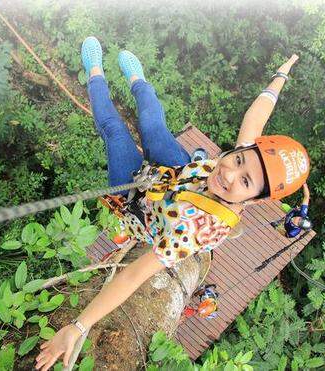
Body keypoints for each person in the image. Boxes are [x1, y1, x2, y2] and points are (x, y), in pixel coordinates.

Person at [35, 36, 310, 370]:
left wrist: (77, 327)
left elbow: (133, 277)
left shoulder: (191, 232)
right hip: (179, 172)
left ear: (254, 200)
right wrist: (281, 75)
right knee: (152, 123)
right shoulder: (237, 163)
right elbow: (257, 116)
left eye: (246, 182)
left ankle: (94, 71)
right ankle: (138, 80)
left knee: (114, 130)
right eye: (238, 161)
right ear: (241, 151)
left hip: (136, 198)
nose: (230, 174)